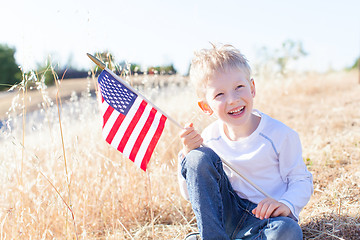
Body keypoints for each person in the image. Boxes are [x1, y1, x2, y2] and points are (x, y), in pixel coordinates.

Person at [178, 43, 313, 240]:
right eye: (219, 94)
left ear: (252, 88)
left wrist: (285, 204)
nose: (232, 99)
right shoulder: (208, 138)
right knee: (198, 158)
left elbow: (300, 180)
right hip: (223, 222)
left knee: (288, 232)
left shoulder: (280, 135)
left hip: (266, 221)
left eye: (239, 87)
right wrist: (187, 154)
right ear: (206, 107)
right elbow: (190, 195)